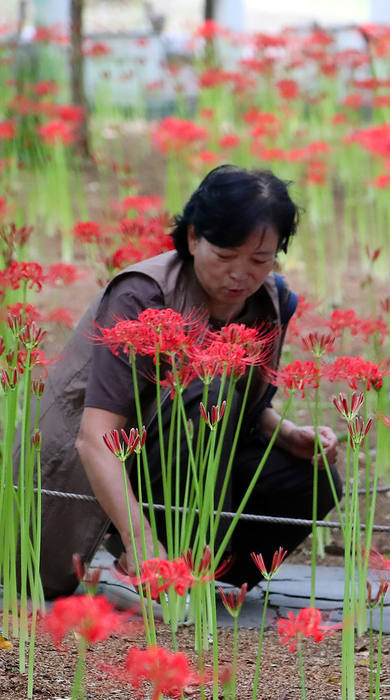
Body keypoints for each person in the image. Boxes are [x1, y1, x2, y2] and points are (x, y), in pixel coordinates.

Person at [36, 165, 341, 600]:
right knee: (204, 390)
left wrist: (288, 434)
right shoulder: (141, 295)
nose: (241, 275)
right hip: (95, 462)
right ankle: (149, 567)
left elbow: (241, 405)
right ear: (194, 237)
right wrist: (142, 544)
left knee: (312, 478)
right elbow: (94, 438)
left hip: (182, 450)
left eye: (260, 260)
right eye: (225, 256)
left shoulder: (273, 300)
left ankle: (205, 571)